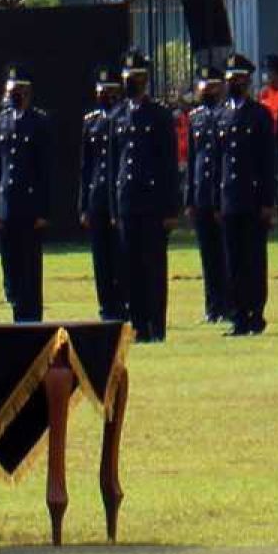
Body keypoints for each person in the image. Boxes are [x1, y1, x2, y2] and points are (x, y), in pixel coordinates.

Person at [109, 50, 179, 343]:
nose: (131, 83)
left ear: (145, 80)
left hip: (152, 203)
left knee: (153, 267)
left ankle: (156, 325)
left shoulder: (159, 115)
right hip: (127, 201)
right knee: (130, 268)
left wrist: (170, 209)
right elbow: (114, 163)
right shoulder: (118, 116)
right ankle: (137, 324)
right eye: (127, 78)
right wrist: (114, 208)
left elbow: (169, 164)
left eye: (135, 78)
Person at [216, 54, 275, 336]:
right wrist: (217, 199)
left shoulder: (259, 114)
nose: (234, 84)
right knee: (232, 260)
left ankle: (256, 312)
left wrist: (267, 201)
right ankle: (237, 314)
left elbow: (267, 161)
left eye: (239, 79)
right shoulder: (222, 115)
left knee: (254, 258)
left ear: (247, 81)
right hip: (229, 197)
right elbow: (218, 161)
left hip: (253, 198)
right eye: (231, 79)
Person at [0, 63, 51, 322]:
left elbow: (45, 169)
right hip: (6, 203)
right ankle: (16, 309)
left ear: (28, 92)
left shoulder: (39, 122)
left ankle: (31, 315)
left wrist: (44, 209)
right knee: (10, 262)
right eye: (11, 90)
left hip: (30, 205)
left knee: (29, 264)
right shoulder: (2, 120)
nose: (14, 95)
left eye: (19, 90)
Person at [78, 66, 127, 321]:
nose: (105, 95)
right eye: (102, 91)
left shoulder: (122, 119)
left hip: (117, 198)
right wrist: (83, 205)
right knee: (101, 259)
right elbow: (86, 167)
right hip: (97, 198)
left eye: (110, 91)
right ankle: (106, 305)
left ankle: (122, 303)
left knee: (119, 255)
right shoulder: (92, 121)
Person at [184, 65, 229, 324]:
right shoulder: (196, 117)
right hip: (201, 192)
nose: (208, 91)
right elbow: (192, 160)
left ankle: (229, 303)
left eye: (212, 86)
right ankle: (212, 306)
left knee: (225, 252)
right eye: (204, 86)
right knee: (208, 254)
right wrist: (189, 197)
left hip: (221, 193)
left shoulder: (226, 114)